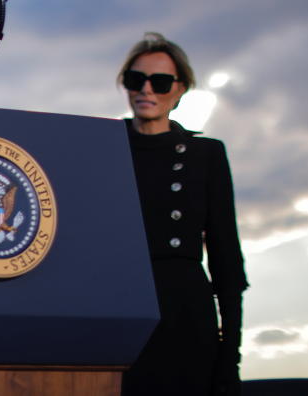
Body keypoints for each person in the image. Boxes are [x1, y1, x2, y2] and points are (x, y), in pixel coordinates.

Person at [118, 32, 248, 396]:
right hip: (122, 307)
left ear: (180, 88)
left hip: (186, 314)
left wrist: (229, 359)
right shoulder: (104, 146)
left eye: (159, 82)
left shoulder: (204, 155)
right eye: (135, 79)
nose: (147, 90)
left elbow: (226, 262)